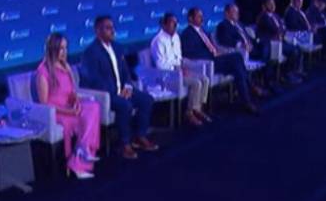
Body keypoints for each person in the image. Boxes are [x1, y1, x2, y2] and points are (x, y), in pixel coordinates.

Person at [80, 15, 158, 160]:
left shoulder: (117, 47)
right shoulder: (90, 53)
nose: (113, 31)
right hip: (106, 95)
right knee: (125, 105)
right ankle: (124, 144)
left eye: (113, 27)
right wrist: (116, 93)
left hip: (122, 90)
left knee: (147, 100)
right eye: (108, 28)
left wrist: (128, 86)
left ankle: (140, 136)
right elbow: (93, 81)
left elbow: (125, 72)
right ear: (98, 31)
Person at [36, 33, 101, 179]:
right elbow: (44, 104)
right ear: (52, 49)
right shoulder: (43, 71)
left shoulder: (66, 66)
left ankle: (82, 150)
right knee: (80, 119)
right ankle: (78, 163)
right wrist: (68, 111)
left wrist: (75, 100)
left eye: (66, 48)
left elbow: (71, 92)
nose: (64, 52)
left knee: (93, 107)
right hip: (56, 112)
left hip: (69, 107)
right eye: (60, 48)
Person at [180, 7, 259, 115]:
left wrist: (218, 51)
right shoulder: (187, 34)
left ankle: (247, 98)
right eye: (199, 16)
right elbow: (189, 53)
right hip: (207, 63)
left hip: (215, 58)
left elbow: (212, 46)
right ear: (190, 18)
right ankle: (249, 92)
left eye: (202, 16)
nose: (202, 19)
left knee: (238, 63)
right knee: (236, 60)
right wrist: (212, 54)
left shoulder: (203, 31)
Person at [151, 13, 211, 127]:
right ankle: (189, 112)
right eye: (172, 23)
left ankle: (198, 108)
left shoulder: (176, 37)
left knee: (205, 79)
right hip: (167, 75)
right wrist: (177, 69)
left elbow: (179, 57)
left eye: (176, 23)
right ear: (164, 25)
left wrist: (183, 66)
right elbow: (160, 65)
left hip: (179, 70)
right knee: (196, 83)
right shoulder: (158, 41)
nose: (175, 26)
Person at [216, 3, 274, 90]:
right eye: (234, 12)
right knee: (264, 55)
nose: (237, 14)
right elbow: (225, 40)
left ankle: (266, 80)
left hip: (251, 48)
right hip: (242, 51)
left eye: (237, 12)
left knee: (266, 46)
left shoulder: (239, 24)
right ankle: (264, 81)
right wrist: (242, 45)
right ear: (227, 13)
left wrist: (255, 41)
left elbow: (248, 37)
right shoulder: (223, 26)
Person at [256, 0, 303, 83]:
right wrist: (280, 32)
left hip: (279, 42)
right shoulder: (262, 17)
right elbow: (274, 29)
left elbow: (283, 28)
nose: (273, 5)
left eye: (273, 3)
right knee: (293, 51)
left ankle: (291, 72)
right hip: (269, 44)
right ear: (264, 6)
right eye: (270, 4)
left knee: (297, 49)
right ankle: (285, 75)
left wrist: (281, 32)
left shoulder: (276, 16)